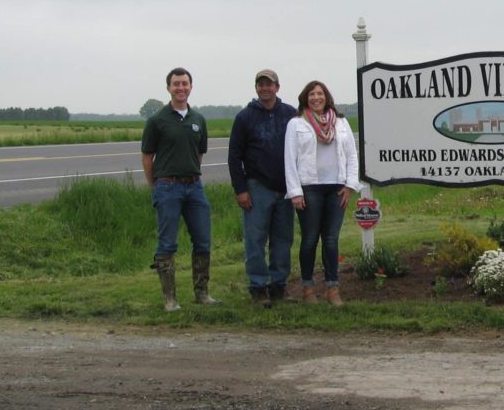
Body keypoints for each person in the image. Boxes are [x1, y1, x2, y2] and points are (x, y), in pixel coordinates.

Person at [140, 67, 217, 311]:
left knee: (203, 240)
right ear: (168, 88)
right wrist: (156, 187)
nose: (181, 88)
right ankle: (170, 299)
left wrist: (191, 173)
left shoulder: (198, 120)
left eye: (185, 84)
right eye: (176, 84)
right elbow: (147, 157)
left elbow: (200, 152)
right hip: (167, 187)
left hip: (194, 187)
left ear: (191, 87)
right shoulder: (157, 121)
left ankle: (201, 293)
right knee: (167, 244)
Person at [284, 80, 359, 307]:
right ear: (305, 98)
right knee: (309, 240)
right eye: (312, 95)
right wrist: (295, 192)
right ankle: (307, 289)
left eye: (320, 94)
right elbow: (289, 160)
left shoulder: (341, 123)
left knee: (331, 239)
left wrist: (350, 185)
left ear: (326, 97)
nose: (316, 98)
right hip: (310, 188)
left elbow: (352, 156)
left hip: (336, 188)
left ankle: (332, 288)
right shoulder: (296, 124)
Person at [228, 69, 298, 308]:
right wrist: (241, 189)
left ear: (277, 87)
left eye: (269, 84)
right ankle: (258, 287)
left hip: (286, 188)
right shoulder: (245, 117)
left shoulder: (290, 114)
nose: (265, 88)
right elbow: (234, 156)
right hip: (257, 187)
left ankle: (279, 285)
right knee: (255, 240)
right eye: (261, 84)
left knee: (283, 240)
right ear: (256, 88)